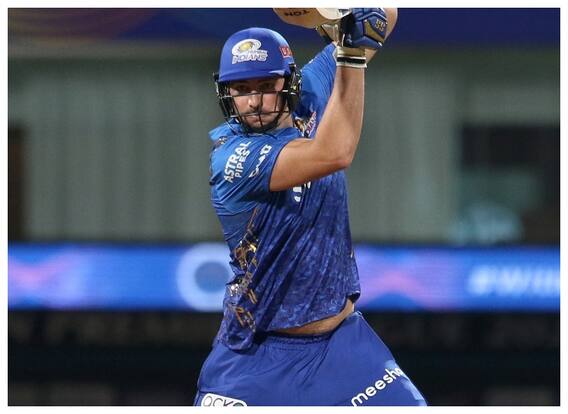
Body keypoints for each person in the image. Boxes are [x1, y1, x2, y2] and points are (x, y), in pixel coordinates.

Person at [194, 8, 427, 406]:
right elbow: (334, 152)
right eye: (241, 88)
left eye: (266, 85)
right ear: (226, 92)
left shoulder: (310, 96)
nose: (255, 101)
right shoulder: (232, 158)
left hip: (345, 348)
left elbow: (385, 13)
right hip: (256, 358)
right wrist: (350, 51)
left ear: (290, 81)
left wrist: (339, 16)